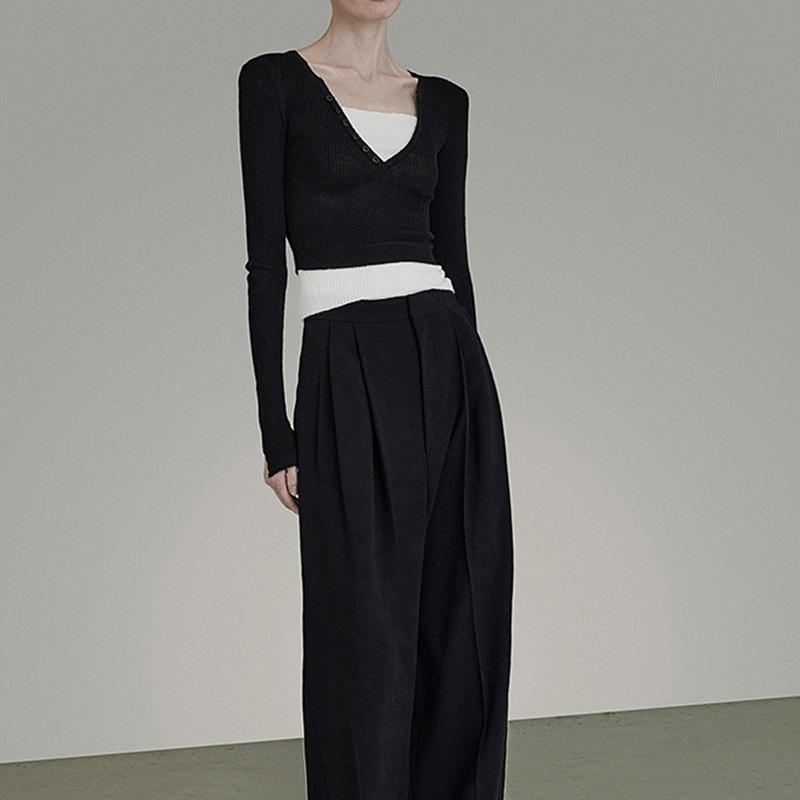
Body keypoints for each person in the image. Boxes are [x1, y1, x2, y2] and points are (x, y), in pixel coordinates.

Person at [237, 4, 514, 797]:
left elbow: (453, 254)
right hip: (344, 359)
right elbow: (266, 264)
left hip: (449, 359)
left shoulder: (446, 101)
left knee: (462, 611)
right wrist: (277, 431)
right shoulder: (274, 84)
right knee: (361, 626)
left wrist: (470, 392)